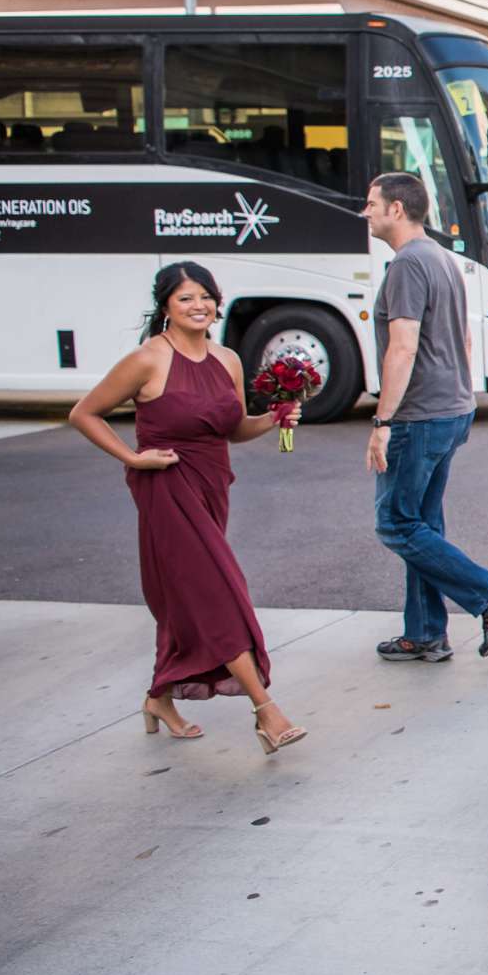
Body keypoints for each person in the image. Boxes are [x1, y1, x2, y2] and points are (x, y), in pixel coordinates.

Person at [67, 264, 306, 754]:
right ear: (166, 307)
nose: (198, 306)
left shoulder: (228, 360)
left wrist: (275, 418)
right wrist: (133, 457)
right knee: (218, 593)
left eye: (205, 297)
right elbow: (83, 413)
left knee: (186, 598)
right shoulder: (148, 359)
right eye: (185, 299)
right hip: (166, 489)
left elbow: (233, 428)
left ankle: (158, 698)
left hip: (212, 487)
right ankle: (266, 710)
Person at [364, 172, 488, 663]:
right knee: (422, 526)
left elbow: (403, 345)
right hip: (450, 407)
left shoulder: (409, 264)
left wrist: (381, 422)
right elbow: (465, 340)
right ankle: (426, 632)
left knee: (395, 524)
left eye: (371, 204)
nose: (365, 212)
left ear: (396, 208)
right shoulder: (441, 258)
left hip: (419, 416)